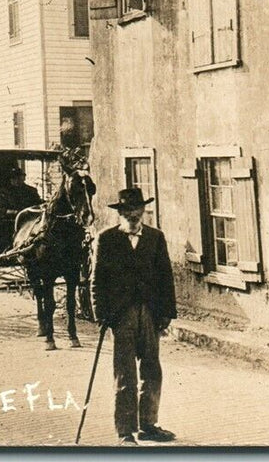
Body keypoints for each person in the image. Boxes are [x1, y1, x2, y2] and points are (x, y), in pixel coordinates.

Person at [91, 186, 178, 445]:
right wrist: (102, 315)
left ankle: (148, 425)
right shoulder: (106, 239)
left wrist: (167, 313)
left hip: (150, 313)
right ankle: (125, 431)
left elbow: (165, 276)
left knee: (152, 370)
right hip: (122, 315)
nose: (132, 215)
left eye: (136, 209)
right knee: (125, 373)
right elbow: (97, 280)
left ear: (143, 210)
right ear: (120, 213)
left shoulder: (155, 237)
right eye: (127, 210)